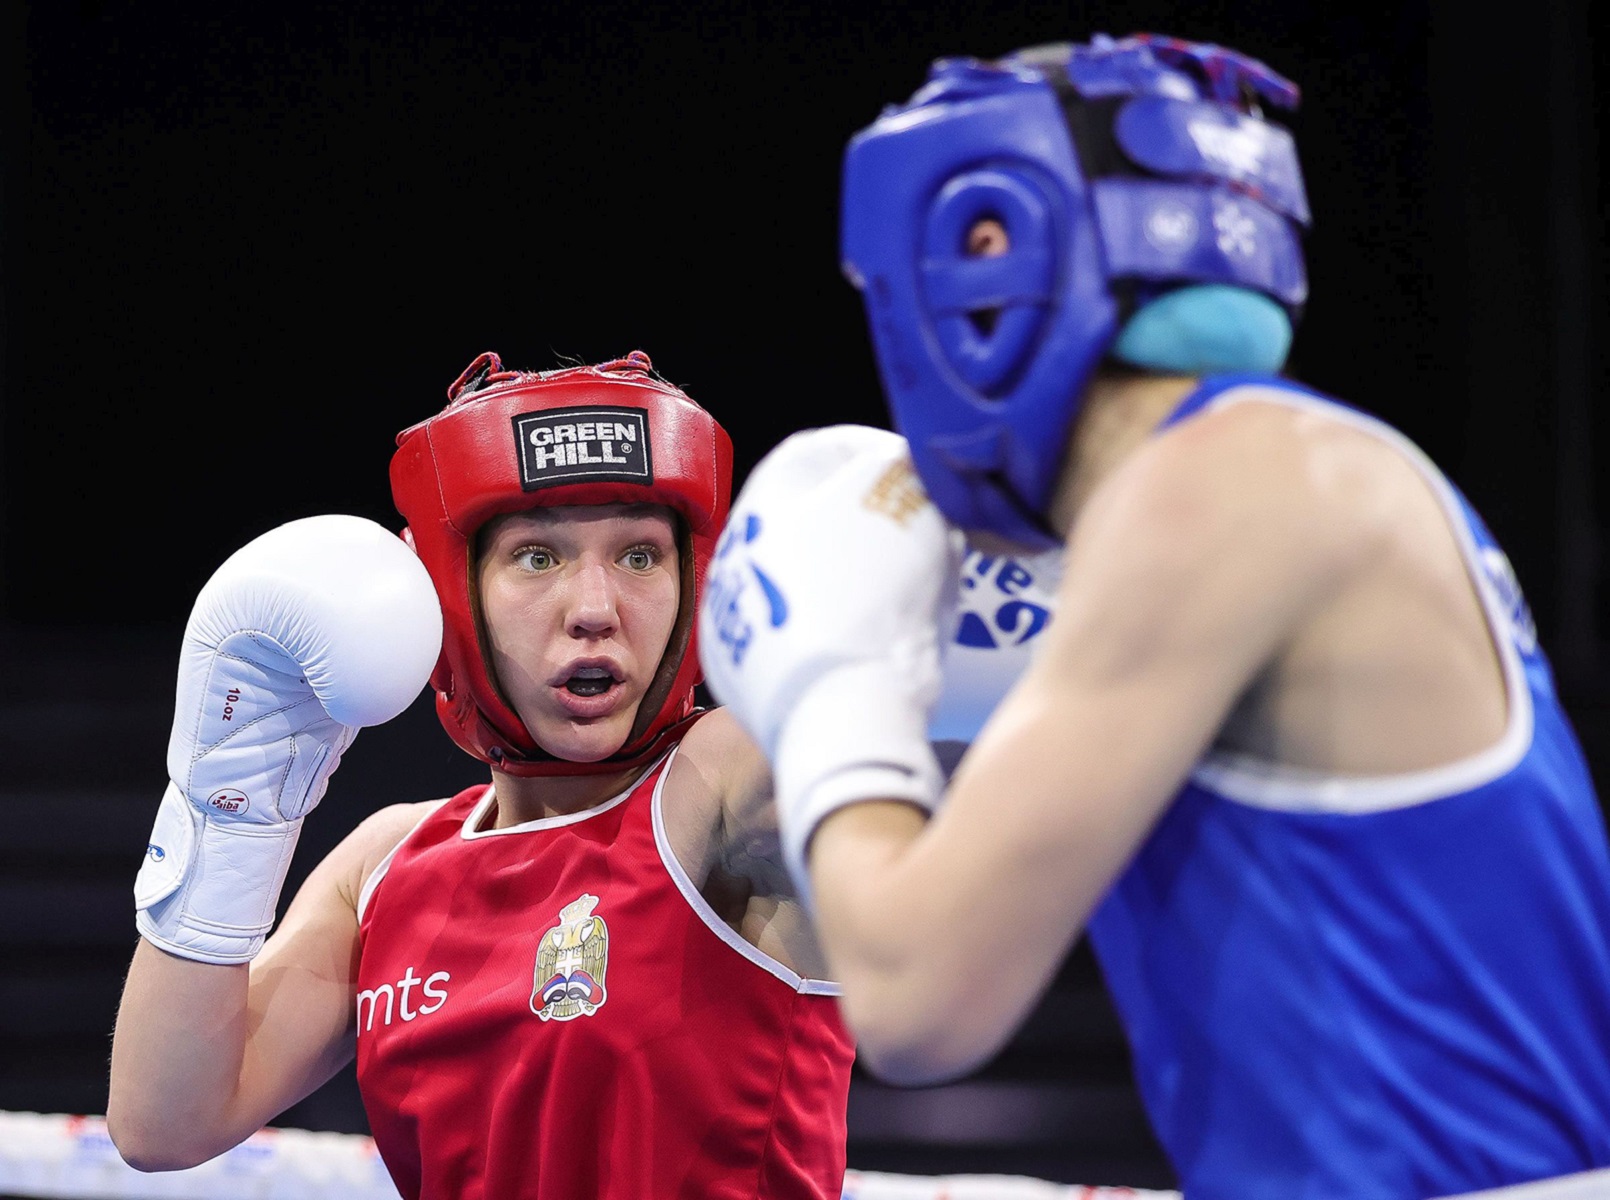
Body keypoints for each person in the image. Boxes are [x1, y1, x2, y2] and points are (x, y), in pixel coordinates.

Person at [697, 33, 1610, 1200]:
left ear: (994, 249)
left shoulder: (1218, 490)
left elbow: (917, 998)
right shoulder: (1301, 465)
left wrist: (826, 686)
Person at [107, 350, 855, 1199]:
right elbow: (161, 1123)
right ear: (446, 591)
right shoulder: (385, 866)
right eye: (538, 557)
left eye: (641, 556)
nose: (596, 610)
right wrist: (232, 804)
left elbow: (870, 751)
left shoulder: (717, 787)